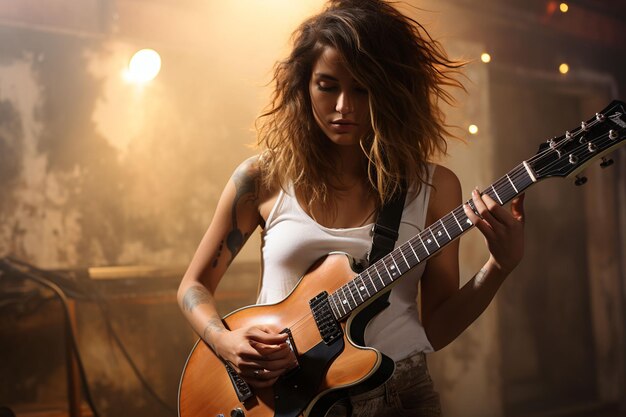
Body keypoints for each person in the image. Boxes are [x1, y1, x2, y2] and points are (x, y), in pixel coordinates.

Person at [177, 0, 525, 416]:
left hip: (399, 397)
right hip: (283, 399)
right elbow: (193, 286)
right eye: (327, 85)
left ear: (391, 90)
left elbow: (436, 327)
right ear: (303, 85)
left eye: (362, 89)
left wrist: (499, 267)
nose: (344, 107)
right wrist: (226, 343)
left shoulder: (433, 187)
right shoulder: (261, 179)